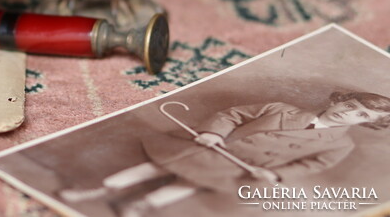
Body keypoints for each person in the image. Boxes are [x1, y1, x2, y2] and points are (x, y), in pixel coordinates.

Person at [59, 90, 390, 216]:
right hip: (219, 147)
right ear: (336, 101)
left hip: (242, 167)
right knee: (159, 166)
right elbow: (233, 115)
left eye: (361, 116)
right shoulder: (282, 107)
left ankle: (141, 205)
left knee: (191, 184)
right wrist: (212, 133)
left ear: (368, 125)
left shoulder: (340, 144)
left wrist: (275, 175)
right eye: (349, 106)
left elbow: (312, 164)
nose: (348, 115)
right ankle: (102, 188)